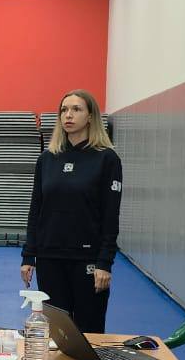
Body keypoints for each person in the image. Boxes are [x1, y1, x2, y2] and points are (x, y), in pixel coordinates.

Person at [20, 90, 122, 333]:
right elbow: (36, 210)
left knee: (89, 332)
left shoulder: (107, 159)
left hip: (88, 260)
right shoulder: (47, 159)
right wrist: (29, 256)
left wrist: (104, 262)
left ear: (90, 116)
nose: (68, 115)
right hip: (50, 258)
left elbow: (111, 216)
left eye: (76, 109)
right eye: (64, 110)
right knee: (56, 333)